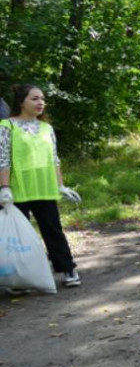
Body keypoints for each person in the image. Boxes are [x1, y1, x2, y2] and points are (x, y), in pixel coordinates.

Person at [0, 84, 82, 287]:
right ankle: (19, 279)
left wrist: (61, 185)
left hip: (44, 188)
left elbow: (54, 159)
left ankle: (67, 268)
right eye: (34, 99)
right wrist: (4, 187)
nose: (40, 103)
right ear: (21, 102)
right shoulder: (6, 126)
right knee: (19, 238)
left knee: (53, 229)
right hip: (18, 189)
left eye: (42, 99)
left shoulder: (47, 128)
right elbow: (3, 159)